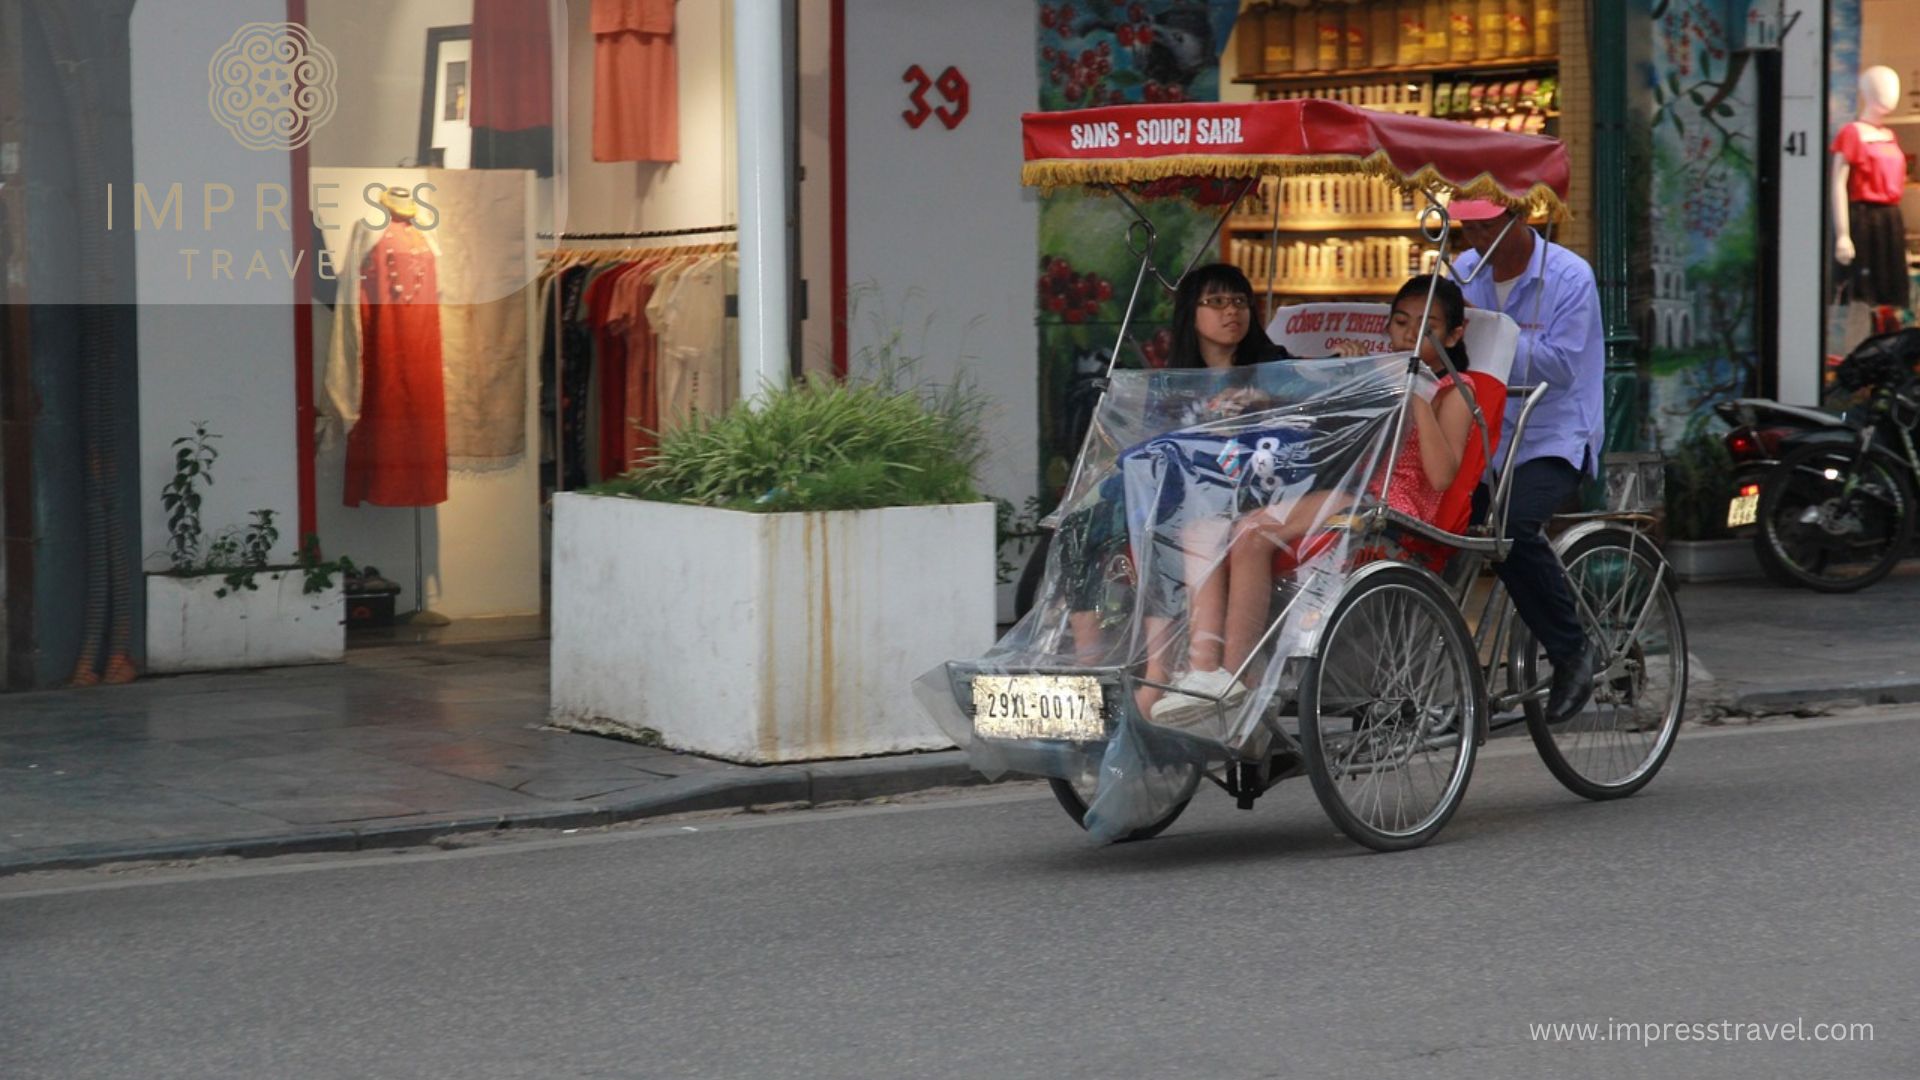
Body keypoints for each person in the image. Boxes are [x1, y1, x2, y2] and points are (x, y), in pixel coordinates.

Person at [1149, 275, 1477, 728]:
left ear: (1454, 336)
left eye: (1427, 328)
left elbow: (1441, 475)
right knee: (1223, 529)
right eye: (1401, 322)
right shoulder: (1379, 369)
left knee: (1251, 531)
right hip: (1345, 489)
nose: (1409, 336)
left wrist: (1413, 393)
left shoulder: (1455, 391)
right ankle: (1214, 668)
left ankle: (1235, 674)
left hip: (1394, 507)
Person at [1448, 198, 1603, 721]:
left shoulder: (1569, 276)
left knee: (1509, 528)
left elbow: (1560, 367)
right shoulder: (1463, 272)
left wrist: (1485, 330)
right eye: (1467, 226)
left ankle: (1571, 651)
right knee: (1426, 522)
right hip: (1483, 435)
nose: (1476, 238)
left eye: (1487, 226)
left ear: (1520, 218)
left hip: (1553, 435)